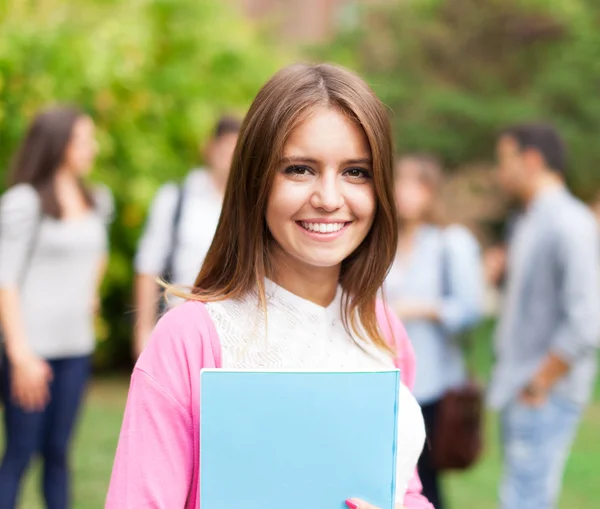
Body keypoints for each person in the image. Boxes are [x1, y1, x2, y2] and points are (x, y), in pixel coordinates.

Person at [106, 63, 433, 509]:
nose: (329, 198)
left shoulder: (383, 330)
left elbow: (404, 489)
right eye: (300, 169)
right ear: (255, 181)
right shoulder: (190, 340)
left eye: (356, 171)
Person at [0, 106, 113, 509]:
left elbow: (97, 253)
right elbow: (5, 281)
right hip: (32, 351)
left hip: (75, 348)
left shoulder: (97, 199)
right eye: (83, 140)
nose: (92, 148)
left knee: (60, 454)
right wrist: (20, 356)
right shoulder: (23, 203)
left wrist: (90, 291)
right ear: (57, 143)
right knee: (21, 453)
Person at [488, 123, 600, 509]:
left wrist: (539, 383)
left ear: (531, 161)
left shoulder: (570, 223)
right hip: (524, 384)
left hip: (543, 391)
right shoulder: (530, 220)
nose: (499, 172)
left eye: (505, 161)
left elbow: (588, 319)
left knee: (525, 501)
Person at [383, 154, 484, 509]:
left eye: (417, 184)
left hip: (432, 380)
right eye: (401, 183)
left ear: (431, 191)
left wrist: (424, 309)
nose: (406, 193)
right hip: (388, 374)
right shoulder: (384, 240)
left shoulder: (448, 242)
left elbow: (471, 308)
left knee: (425, 476)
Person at [133, 115, 241, 358]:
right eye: (225, 149)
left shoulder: (250, 205)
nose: (229, 159)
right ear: (209, 148)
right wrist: (143, 331)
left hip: (232, 332)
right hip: (176, 325)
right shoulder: (176, 198)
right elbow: (147, 266)